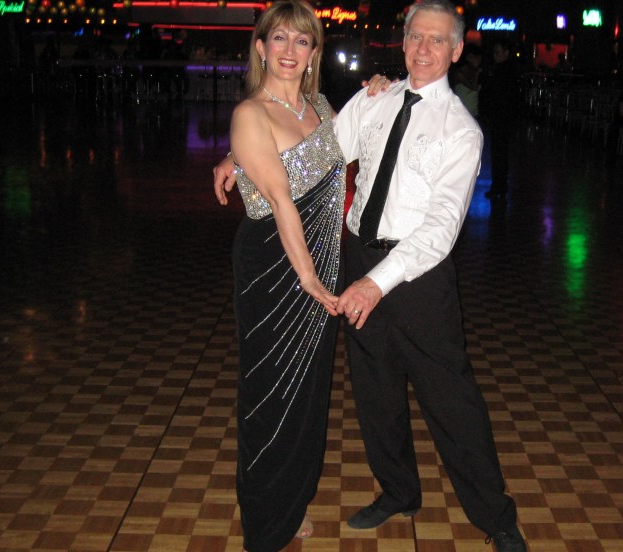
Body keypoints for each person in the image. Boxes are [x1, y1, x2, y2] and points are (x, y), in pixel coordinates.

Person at [214, 2, 527, 550]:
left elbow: (440, 230)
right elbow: (311, 150)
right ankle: (399, 491)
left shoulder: (461, 130)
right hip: (356, 256)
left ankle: (497, 518)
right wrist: (236, 158)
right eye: (415, 37)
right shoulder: (372, 100)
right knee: (375, 392)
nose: (424, 49)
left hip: (417, 276)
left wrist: (376, 283)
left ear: (456, 50)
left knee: (451, 401)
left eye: (437, 40)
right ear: (403, 43)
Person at [224, 1, 344, 549]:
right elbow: (280, 199)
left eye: (302, 40)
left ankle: (292, 502)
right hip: (276, 269)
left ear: (314, 52)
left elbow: (347, 150)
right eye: (279, 38)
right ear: (261, 47)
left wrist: (379, 87)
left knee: (308, 393)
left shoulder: (320, 106)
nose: (290, 50)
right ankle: (265, 519)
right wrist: (310, 280)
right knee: (269, 391)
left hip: (318, 260)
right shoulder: (250, 114)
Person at [480, 38, 521, 201]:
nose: (495, 55)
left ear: (506, 53)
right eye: (494, 52)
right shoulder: (503, 70)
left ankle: (499, 186)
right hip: (500, 116)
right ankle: (499, 186)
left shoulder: (504, 72)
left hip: (501, 116)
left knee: (499, 153)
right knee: (499, 153)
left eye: (498, 52)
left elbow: (502, 95)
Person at [451, 43, 481, 119]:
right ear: (468, 58)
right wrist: (477, 74)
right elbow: (473, 88)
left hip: (474, 112)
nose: (478, 60)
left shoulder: (475, 71)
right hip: (463, 114)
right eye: (476, 58)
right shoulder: (460, 73)